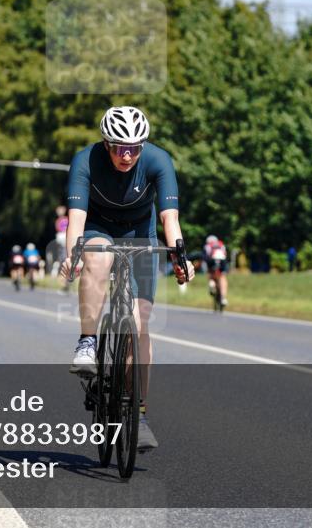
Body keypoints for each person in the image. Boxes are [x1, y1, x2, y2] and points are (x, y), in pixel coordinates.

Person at [59, 106, 194, 452]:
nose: (126, 154)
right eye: (118, 146)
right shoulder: (85, 160)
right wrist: (72, 255)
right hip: (98, 229)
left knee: (139, 324)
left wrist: (181, 259)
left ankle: (139, 413)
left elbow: (170, 218)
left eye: (134, 147)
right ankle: (87, 342)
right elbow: (76, 218)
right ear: (105, 143)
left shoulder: (158, 160)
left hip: (140, 233)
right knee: (98, 259)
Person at [203, 234, 229, 308]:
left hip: (211, 261)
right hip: (222, 261)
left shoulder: (207, 246)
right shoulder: (221, 245)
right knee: (223, 278)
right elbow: (225, 255)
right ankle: (223, 298)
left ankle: (211, 283)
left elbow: (205, 258)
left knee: (210, 273)